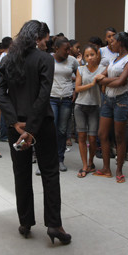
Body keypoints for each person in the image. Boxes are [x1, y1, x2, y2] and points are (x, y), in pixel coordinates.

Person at [0, 20, 71, 245]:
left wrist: (16, 123)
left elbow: (0, 92)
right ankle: (54, 224)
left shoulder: (7, 59)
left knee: (21, 174)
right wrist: (31, 127)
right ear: (38, 37)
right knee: (49, 172)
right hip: (42, 125)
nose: (48, 41)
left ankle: (25, 222)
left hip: (16, 126)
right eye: (46, 37)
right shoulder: (45, 59)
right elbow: (43, 95)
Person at [93, 31, 128, 183]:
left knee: (119, 136)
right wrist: (109, 80)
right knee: (102, 134)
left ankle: (119, 170)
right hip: (108, 99)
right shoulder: (114, 59)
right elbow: (102, 77)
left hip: (121, 101)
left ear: (121, 43)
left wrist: (104, 81)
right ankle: (106, 168)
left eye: (113, 40)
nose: (110, 42)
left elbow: (121, 82)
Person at [74, 45, 106, 177]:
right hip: (80, 106)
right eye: (87, 55)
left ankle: (91, 162)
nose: (89, 58)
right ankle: (84, 165)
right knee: (82, 137)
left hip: (94, 106)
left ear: (97, 55)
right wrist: (92, 84)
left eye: (92, 54)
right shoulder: (80, 69)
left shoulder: (102, 70)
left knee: (93, 138)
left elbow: (104, 89)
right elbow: (77, 88)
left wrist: (102, 84)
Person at [50, 37, 79, 172]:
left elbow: (80, 74)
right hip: (52, 98)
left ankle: (60, 159)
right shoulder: (48, 59)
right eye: (66, 49)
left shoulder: (72, 61)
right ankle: (47, 161)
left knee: (62, 130)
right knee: (51, 129)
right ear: (56, 49)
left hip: (66, 99)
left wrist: (75, 89)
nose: (69, 51)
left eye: (69, 48)